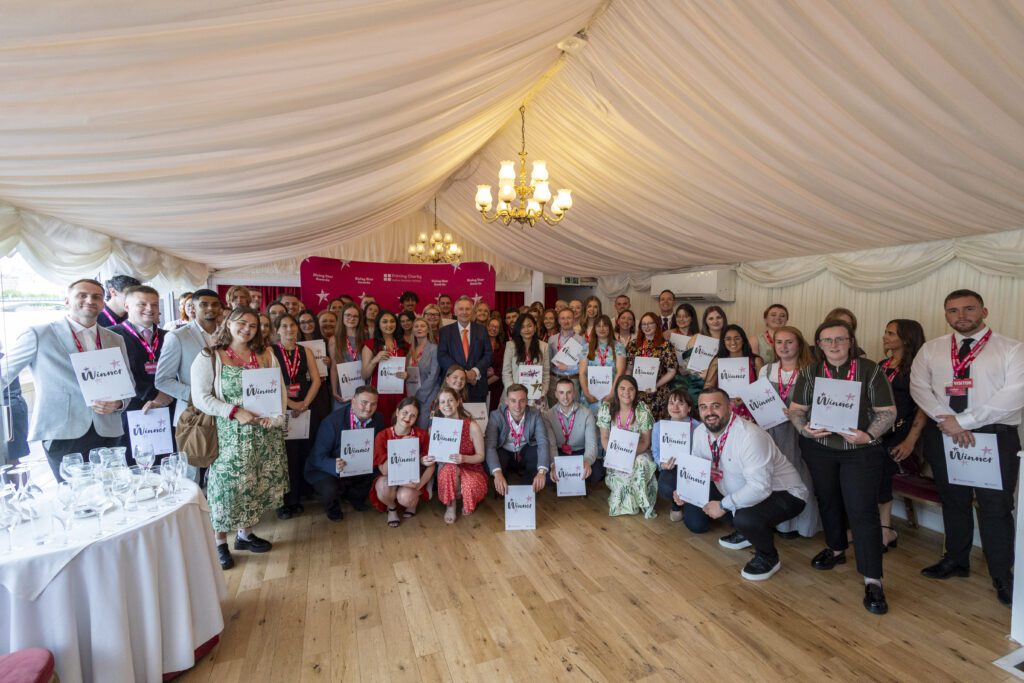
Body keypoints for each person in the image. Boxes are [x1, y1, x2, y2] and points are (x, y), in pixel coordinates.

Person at [910, 290, 1023, 606]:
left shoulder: (1012, 349)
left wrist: (966, 421)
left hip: (994, 436)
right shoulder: (931, 350)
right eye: (953, 310)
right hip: (943, 432)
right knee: (953, 501)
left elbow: (1013, 396)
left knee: (996, 509)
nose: (961, 315)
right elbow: (920, 388)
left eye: (969, 308)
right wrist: (948, 420)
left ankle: (1003, 575)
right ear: (946, 315)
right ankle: (956, 560)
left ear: (984, 311)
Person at [788, 319, 896, 614]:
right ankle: (836, 549)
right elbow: (796, 411)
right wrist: (805, 429)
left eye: (840, 339)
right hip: (820, 449)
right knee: (828, 499)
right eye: (827, 340)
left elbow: (887, 412)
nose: (834, 345)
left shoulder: (869, 370)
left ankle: (873, 579)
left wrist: (869, 435)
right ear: (819, 345)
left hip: (860, 451)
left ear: (851, 342)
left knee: (862, 511)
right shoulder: (810, 373)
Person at [2, 278, 133, 481]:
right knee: (78, 500)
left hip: (109, 430)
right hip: (63, 433)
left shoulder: (115, 339)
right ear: (67, 300)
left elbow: (127, 382)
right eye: (82, 295)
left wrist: (119, 403)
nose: (90, 300)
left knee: (111, 493)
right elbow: (4, 374)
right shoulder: (39, 334)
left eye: (97, 296)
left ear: (102, 303)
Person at [676, 388, 809, 581]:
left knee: (746, 518)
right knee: (700, 496)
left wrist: (723, 505)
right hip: (737, 488)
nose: (709, 412)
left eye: (716, 405)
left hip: (784, 493)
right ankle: (746, 533)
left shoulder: (750, 436)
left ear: (729, 407)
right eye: (703, 407)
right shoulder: (699, 433)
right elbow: (697, 470)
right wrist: (684, 491)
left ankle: (768, 557)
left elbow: (759, 487)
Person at [191, 306, 287, 570]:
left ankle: (245, 534)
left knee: (255, 483)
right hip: (229, 434)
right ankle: (219, 541)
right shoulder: (210, 355)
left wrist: (277, 416)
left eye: (253, 326)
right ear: (228, 323)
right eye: (241, 323)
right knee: (226, 488)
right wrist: (233, 411)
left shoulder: (266, 353)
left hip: (264, 434)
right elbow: (201, 398)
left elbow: (279, 388)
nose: (247, 329)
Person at [758, 326, 820, 539]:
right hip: (772, 430)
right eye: (779, 342)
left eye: (789, 342)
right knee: (773, 473)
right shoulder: (766, 371)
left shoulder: (811, 371)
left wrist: (798, 413)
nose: (783, 347)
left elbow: (819, 404)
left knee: (799, 474)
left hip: (799, 431)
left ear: (799, 344)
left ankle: (801, 524)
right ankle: (777, 522)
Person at [878, 319, 927, 552]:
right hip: (880, 429)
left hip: (903, 431)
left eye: (890, 333)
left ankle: (885, 530)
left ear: (906, 338)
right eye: (886, 332)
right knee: (869, 474)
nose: (885, 336)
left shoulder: (917, 367)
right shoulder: (882, 364)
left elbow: (923, 407)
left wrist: (910, 441)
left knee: (882, 472)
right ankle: (877, 527)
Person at [305, 386, 385, 522]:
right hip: (327, 469)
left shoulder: (378, 419)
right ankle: (333, 508)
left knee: (377, 472)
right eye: (364, 402)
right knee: (330, 490)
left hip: (358, 465)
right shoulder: (331, 422)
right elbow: (318, 457)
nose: (368, 408)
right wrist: (334, 465)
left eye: (373, 404)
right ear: (353, 401)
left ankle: (355, 498)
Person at [110, 286, 174, 452]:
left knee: (167, 464)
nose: (149, 309)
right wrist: (152, 395)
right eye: (142, 304)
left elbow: (180, 371)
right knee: (134, 466)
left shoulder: (170, 337)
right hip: (129, 411)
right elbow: (115, 375)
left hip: (168, 408)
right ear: (126, 306)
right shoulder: (111, 336)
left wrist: (164, 397)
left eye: (154, 305)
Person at [271, 314, 322, 520]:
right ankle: (283, 502)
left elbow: (317, 381)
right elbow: (270, 383)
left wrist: (304, 404)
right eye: (284, 326)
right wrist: (290, 404)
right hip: (281, 407)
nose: (289, 329)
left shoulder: (305, 351)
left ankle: (297, 498)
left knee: (301, 451)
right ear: (277, 330)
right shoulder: (271, 352)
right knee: (284, 456)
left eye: (292, 325)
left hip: (304, 408)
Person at [156, 289, 223, 426]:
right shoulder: (177, 337)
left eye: (215, 304)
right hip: (192, 414)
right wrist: (198, 396)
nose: (210, 308)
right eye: (203, 304)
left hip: (226, 412)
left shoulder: (228, 335)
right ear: (193, 307)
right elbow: (163, 380)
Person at [597, 375, 657, 517]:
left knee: (641, 462)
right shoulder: (606, 409)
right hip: (615, 456)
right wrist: (618, 456)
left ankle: (644, 502)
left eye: (631, 389)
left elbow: (645, 442)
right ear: (616, 390)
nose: (626, 392)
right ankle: (628, 503)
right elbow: (604, 438)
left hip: (638, 454)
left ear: (636, 391)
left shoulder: (642, 411)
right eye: (622, 388)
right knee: (627, 504)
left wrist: (629, 455)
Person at [370, 397, 433, 527]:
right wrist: (400, 445)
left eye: (413, 415)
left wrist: (419, 484)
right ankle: (392, 508)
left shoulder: (421, 435)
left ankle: (412, 503)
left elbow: (431, 466)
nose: (408, 417)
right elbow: (384, 471)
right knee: (382, 486)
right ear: (397, 412)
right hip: (390, 478)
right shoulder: (382, 436)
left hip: (413, 480)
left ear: (416, 418)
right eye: (405, 412)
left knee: (405, 497)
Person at [430, 386, 487, 524]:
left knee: (471, 485)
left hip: (471, 468)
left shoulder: (471, 426)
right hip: (448, 470)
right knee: (450, 467)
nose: (447, 405)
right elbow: (434, 457)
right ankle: (451, 505)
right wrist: (429, 459)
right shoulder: (434, 428)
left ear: (458, 402)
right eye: (442, 402)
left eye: (450, 400)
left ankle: (469, 498)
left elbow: (481, 456)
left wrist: (464, 458)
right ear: (438, 406)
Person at [486, 383, 551, 498]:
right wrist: (497, 473)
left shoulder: (535, 414)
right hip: (505, 451)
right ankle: (502, 486)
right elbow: (490, 446)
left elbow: (543, 442)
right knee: (496, 459)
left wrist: (541, 472)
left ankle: (528, 488)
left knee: (535, 452)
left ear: (527, 402)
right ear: (506, 401)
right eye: (513, 401)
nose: (517, 406)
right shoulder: (496, 416)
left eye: (521, 401)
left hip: (524, 451)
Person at [653, 389, 698, 523]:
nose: (675, 407)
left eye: (681, 403)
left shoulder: (698, 427)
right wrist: (662, 464)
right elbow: (655, 452)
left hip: (692, 470)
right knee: (665, 488)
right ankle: (676, 506)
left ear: (689, 408)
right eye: (671, 403)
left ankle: (689, 503)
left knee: (697, 523)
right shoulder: (658, 426)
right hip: (671, 467)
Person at [437, 296, 492, 404]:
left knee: (475, 420)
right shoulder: (445, 331)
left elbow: (488, 354)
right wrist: (462, 374)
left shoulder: (482, 330)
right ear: (455, 311)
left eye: (468, 309)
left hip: (476, 386)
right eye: (461, 309)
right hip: (452, 388)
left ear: (472, 312)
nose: (464, 312)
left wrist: (474, 372)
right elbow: (442, 355)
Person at [545, 378, 601, 483]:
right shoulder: (548, 415)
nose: (565, 397)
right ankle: (573, 478)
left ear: (574, 393)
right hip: (560, 453)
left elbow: (591, 444)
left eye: (569, 392)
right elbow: (551, 445)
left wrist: (587, 461)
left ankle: (571, 478)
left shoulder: (587, 413)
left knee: (596, 473)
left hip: (580, 453)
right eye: (561, 393)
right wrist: (554, 465)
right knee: (548, 476)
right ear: (556, 394)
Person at [703, 325, 763, 422]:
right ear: (723, 342)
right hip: (724, 410)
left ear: (743, 340)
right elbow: (708, 387)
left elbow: (763, 388)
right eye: (728, 339)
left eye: (737, 338)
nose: (733, 342)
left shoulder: (755, 361)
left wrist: (747, 398)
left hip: (750, 410)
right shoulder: (718, 361)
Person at [625, 312, 678, 419]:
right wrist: (630, 387)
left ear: (657, 325)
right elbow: (629, 369)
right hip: (637, 393)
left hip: (658, 393)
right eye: (644, 324)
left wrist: (656, 385)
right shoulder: (633, 344)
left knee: (656, 427)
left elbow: (672, 371)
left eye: (650, 323)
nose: (647, 327)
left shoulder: (665, 345)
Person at [360, 310, 408, 424]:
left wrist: (407, 374)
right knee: (381, 425)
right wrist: (375, 360)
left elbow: (409, 371)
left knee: (399, 425)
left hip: (399, 392)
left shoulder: (403, 345)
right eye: (385, 322)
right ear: (379, 325)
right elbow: (364, 374)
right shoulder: (370, 344)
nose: (389, 325)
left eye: (392, 321)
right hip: (379, 394)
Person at [502, 313, 549, 408]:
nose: (526, 330)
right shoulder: (510, 346)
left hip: (537, 396)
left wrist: (542, 393)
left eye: (529, 326)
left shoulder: (544, 346)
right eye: (522, 327)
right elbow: (506, 372)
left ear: (535, 327)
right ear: (518, 329)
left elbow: (546, 373)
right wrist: (513, 392)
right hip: (514, 396)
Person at [579, 314, 625, 412]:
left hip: (611, 393)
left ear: (610, 328)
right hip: (590, 394)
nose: (602, 328)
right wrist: (587, 394)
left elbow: (620, 372)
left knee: (607, 424)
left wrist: (612, 394)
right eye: (598, 326)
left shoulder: (619, 347)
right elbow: (582, 373)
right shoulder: (586, 347)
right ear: (594, 329)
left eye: (605, 325)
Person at [328, 303, 366, 406]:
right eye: (348, 315)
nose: (351, 318)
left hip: (363, 386)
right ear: (342, 317)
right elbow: (334, 367)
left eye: (355, 316)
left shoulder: (366, 338)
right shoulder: (334, 340)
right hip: (343, 387)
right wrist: (334, 391)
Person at [405, 317, 439, 426]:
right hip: (411, 394)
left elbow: (434, 375)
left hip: (428, 394)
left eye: (423, 326)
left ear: (428, 330)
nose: (419, 328)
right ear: (413, 330)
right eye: (416, 326)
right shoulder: (411, 351)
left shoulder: (434, 348)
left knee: (424, 425)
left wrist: (419, 394)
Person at [486, 317, 505, 411]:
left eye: (496, 327)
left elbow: (501, 370)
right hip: (478, 384)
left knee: (493, 411)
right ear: (487, 326)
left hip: (496, 387)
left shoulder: (502, 348)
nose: (493, 329)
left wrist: (486, 383)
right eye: (491, 326)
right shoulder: (478, 343)